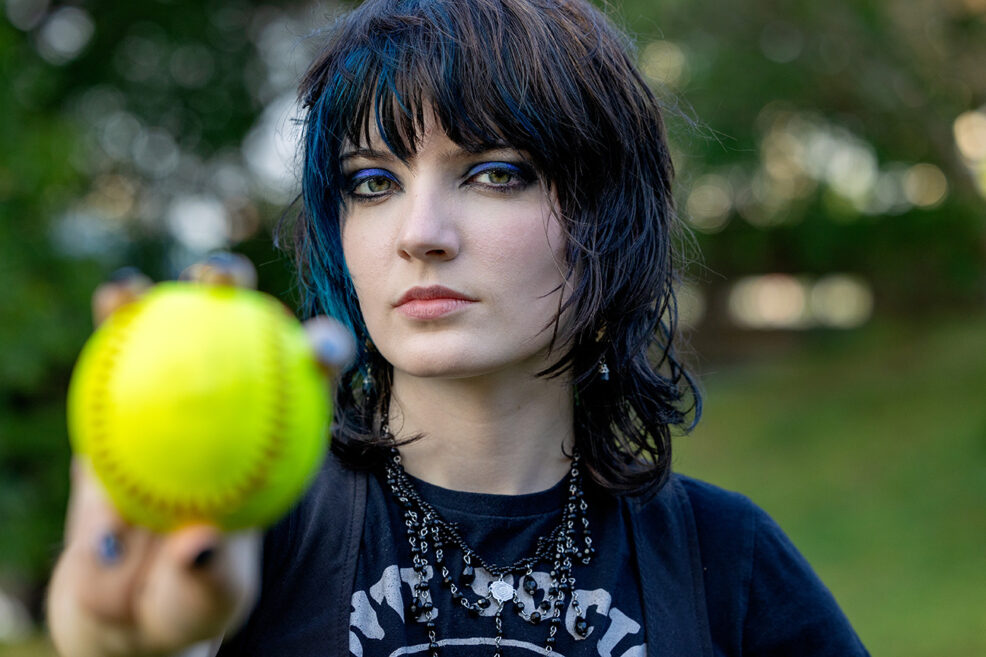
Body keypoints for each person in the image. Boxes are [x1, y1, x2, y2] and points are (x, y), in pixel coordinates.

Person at [47, 0, 871, 655]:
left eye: (494, 172)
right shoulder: (252, 533)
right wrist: (126, 642)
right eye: (372, 182)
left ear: (605, 215)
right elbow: (129, 622)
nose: (420, 231)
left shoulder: (724, 559)